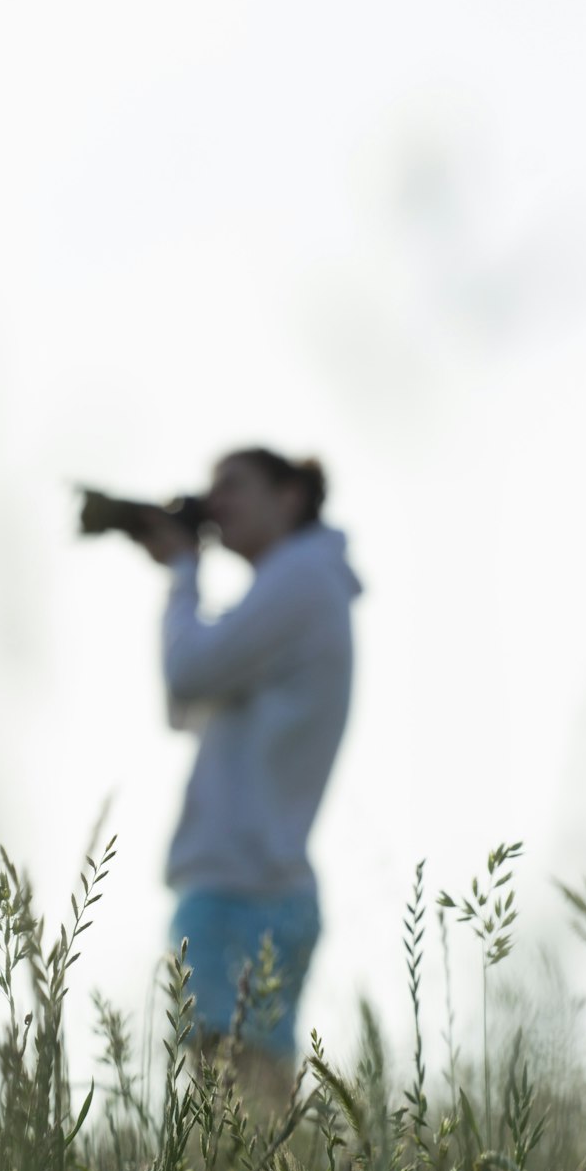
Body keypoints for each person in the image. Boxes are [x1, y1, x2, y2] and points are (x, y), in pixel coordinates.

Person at [133, 447, 362, 1086]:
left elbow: (186, 672)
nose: (216, 503)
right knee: (252, 1122)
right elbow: (188, 702)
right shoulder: (301, 584)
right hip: (263, 881)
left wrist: (183, 571)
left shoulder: (300, 577)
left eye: (234, 485)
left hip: (240, 885)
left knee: (220, 1117)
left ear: (289, 497)